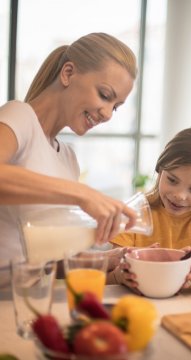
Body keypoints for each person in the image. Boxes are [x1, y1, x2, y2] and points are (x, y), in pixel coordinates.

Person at [0, 33, 139, 261]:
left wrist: (114, 260)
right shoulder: (19, 115)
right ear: (68, 73)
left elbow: (51, 260)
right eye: (105, 95)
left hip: (35, 293)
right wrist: (82, 194)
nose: (107, 114)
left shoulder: (68, 158)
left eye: (115, 107)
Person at [108, 128, 191, 287]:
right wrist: (120, 275)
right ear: (160, 169)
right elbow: (111, 276)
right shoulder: (135, 211)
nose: (179, 195)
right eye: (172, 180)